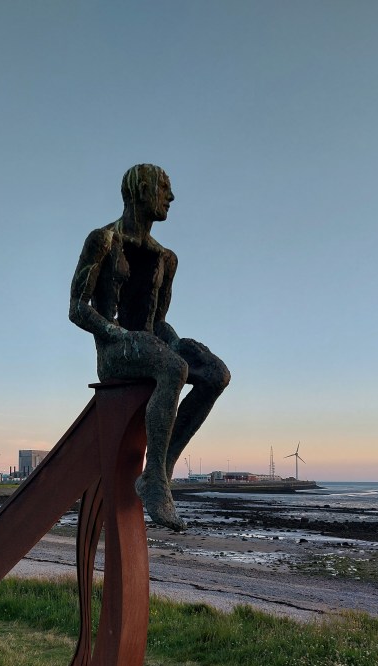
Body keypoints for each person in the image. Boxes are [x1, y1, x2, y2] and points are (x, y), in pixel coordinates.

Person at [69, 164, 230, 530]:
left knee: (216, 374)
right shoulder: (104, 239)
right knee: (173, 368)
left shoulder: (166, 259)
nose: (170, 198)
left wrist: (173, 340)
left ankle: (162, 468)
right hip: (114, 352)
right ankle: (155, 482)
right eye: (164, 188)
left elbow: (156, 320)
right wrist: (119, 335)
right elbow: (77, 308)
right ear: (141, 190)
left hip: (149, 345)